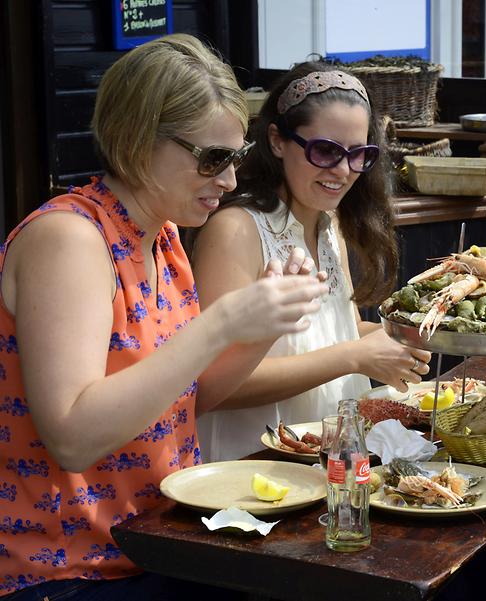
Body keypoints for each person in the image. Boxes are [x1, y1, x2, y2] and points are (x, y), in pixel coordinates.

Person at [0, 35, 329, 599]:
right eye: (212, 158)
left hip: (154, 545)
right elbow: (73, 437)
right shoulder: (70, 240)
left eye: (237, 157)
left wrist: (263, 326)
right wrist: (221, 324)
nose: (228, 181)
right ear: (135, 141)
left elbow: (184, 400)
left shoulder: (163, 235)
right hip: (69, 574)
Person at [191, 63, 431, 462]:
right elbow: (215, 386)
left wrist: (410, 336)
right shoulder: (234, 230)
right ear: (277, 140)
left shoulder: (328, 221)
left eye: (359, 155)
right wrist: (355, 357)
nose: (342, 170)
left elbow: (342, 329)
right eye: (325, 151)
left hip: (324, 461)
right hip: (252, 472)